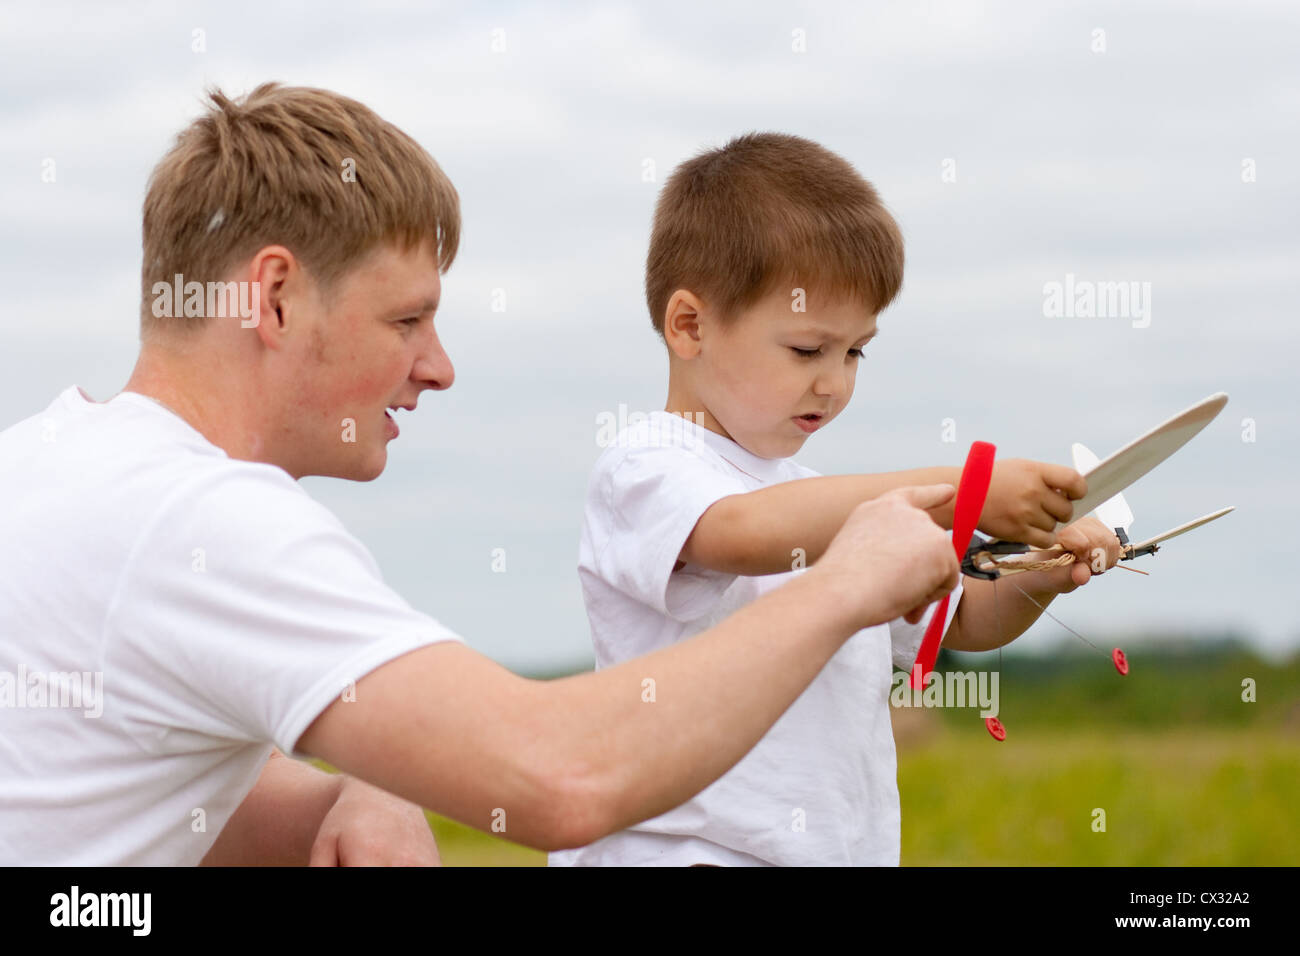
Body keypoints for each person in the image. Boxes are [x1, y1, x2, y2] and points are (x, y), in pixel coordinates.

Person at [0, 84, 963, 865]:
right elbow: (560, 780)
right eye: (407, 320)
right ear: (276, 298)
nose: (439, 366)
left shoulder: (47, 463)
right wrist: (842, 585)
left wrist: (347, 793)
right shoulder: (205, 520)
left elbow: (115, 788)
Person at [548, 132, 1122, 867]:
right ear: (690, 325)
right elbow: (740, 533)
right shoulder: (647, 465)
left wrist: (1044, 572)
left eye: (855, 351)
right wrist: (966, 494)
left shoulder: (816, 503)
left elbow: (962, 620)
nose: (835, 382)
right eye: (807, 349)